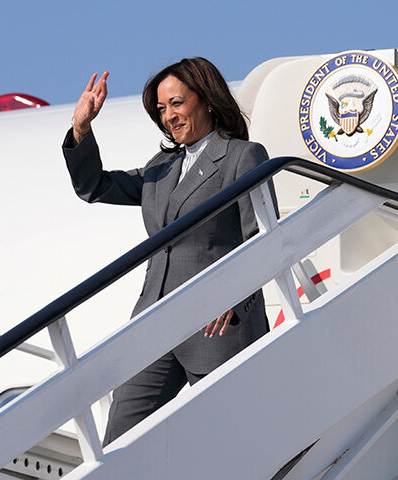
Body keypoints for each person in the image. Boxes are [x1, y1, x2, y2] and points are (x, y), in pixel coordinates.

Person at [62, 57, 275, 446]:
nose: (169, 117)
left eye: (176, 103)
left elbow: (261, 236)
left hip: (216, 322)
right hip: (154, 321)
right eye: (161, 109)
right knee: (118, 443)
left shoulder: (242, 156)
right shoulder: (160, 167)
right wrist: (82, 127)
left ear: (207, 100)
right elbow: (94, 186)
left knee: (229, 446)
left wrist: (232, 294)